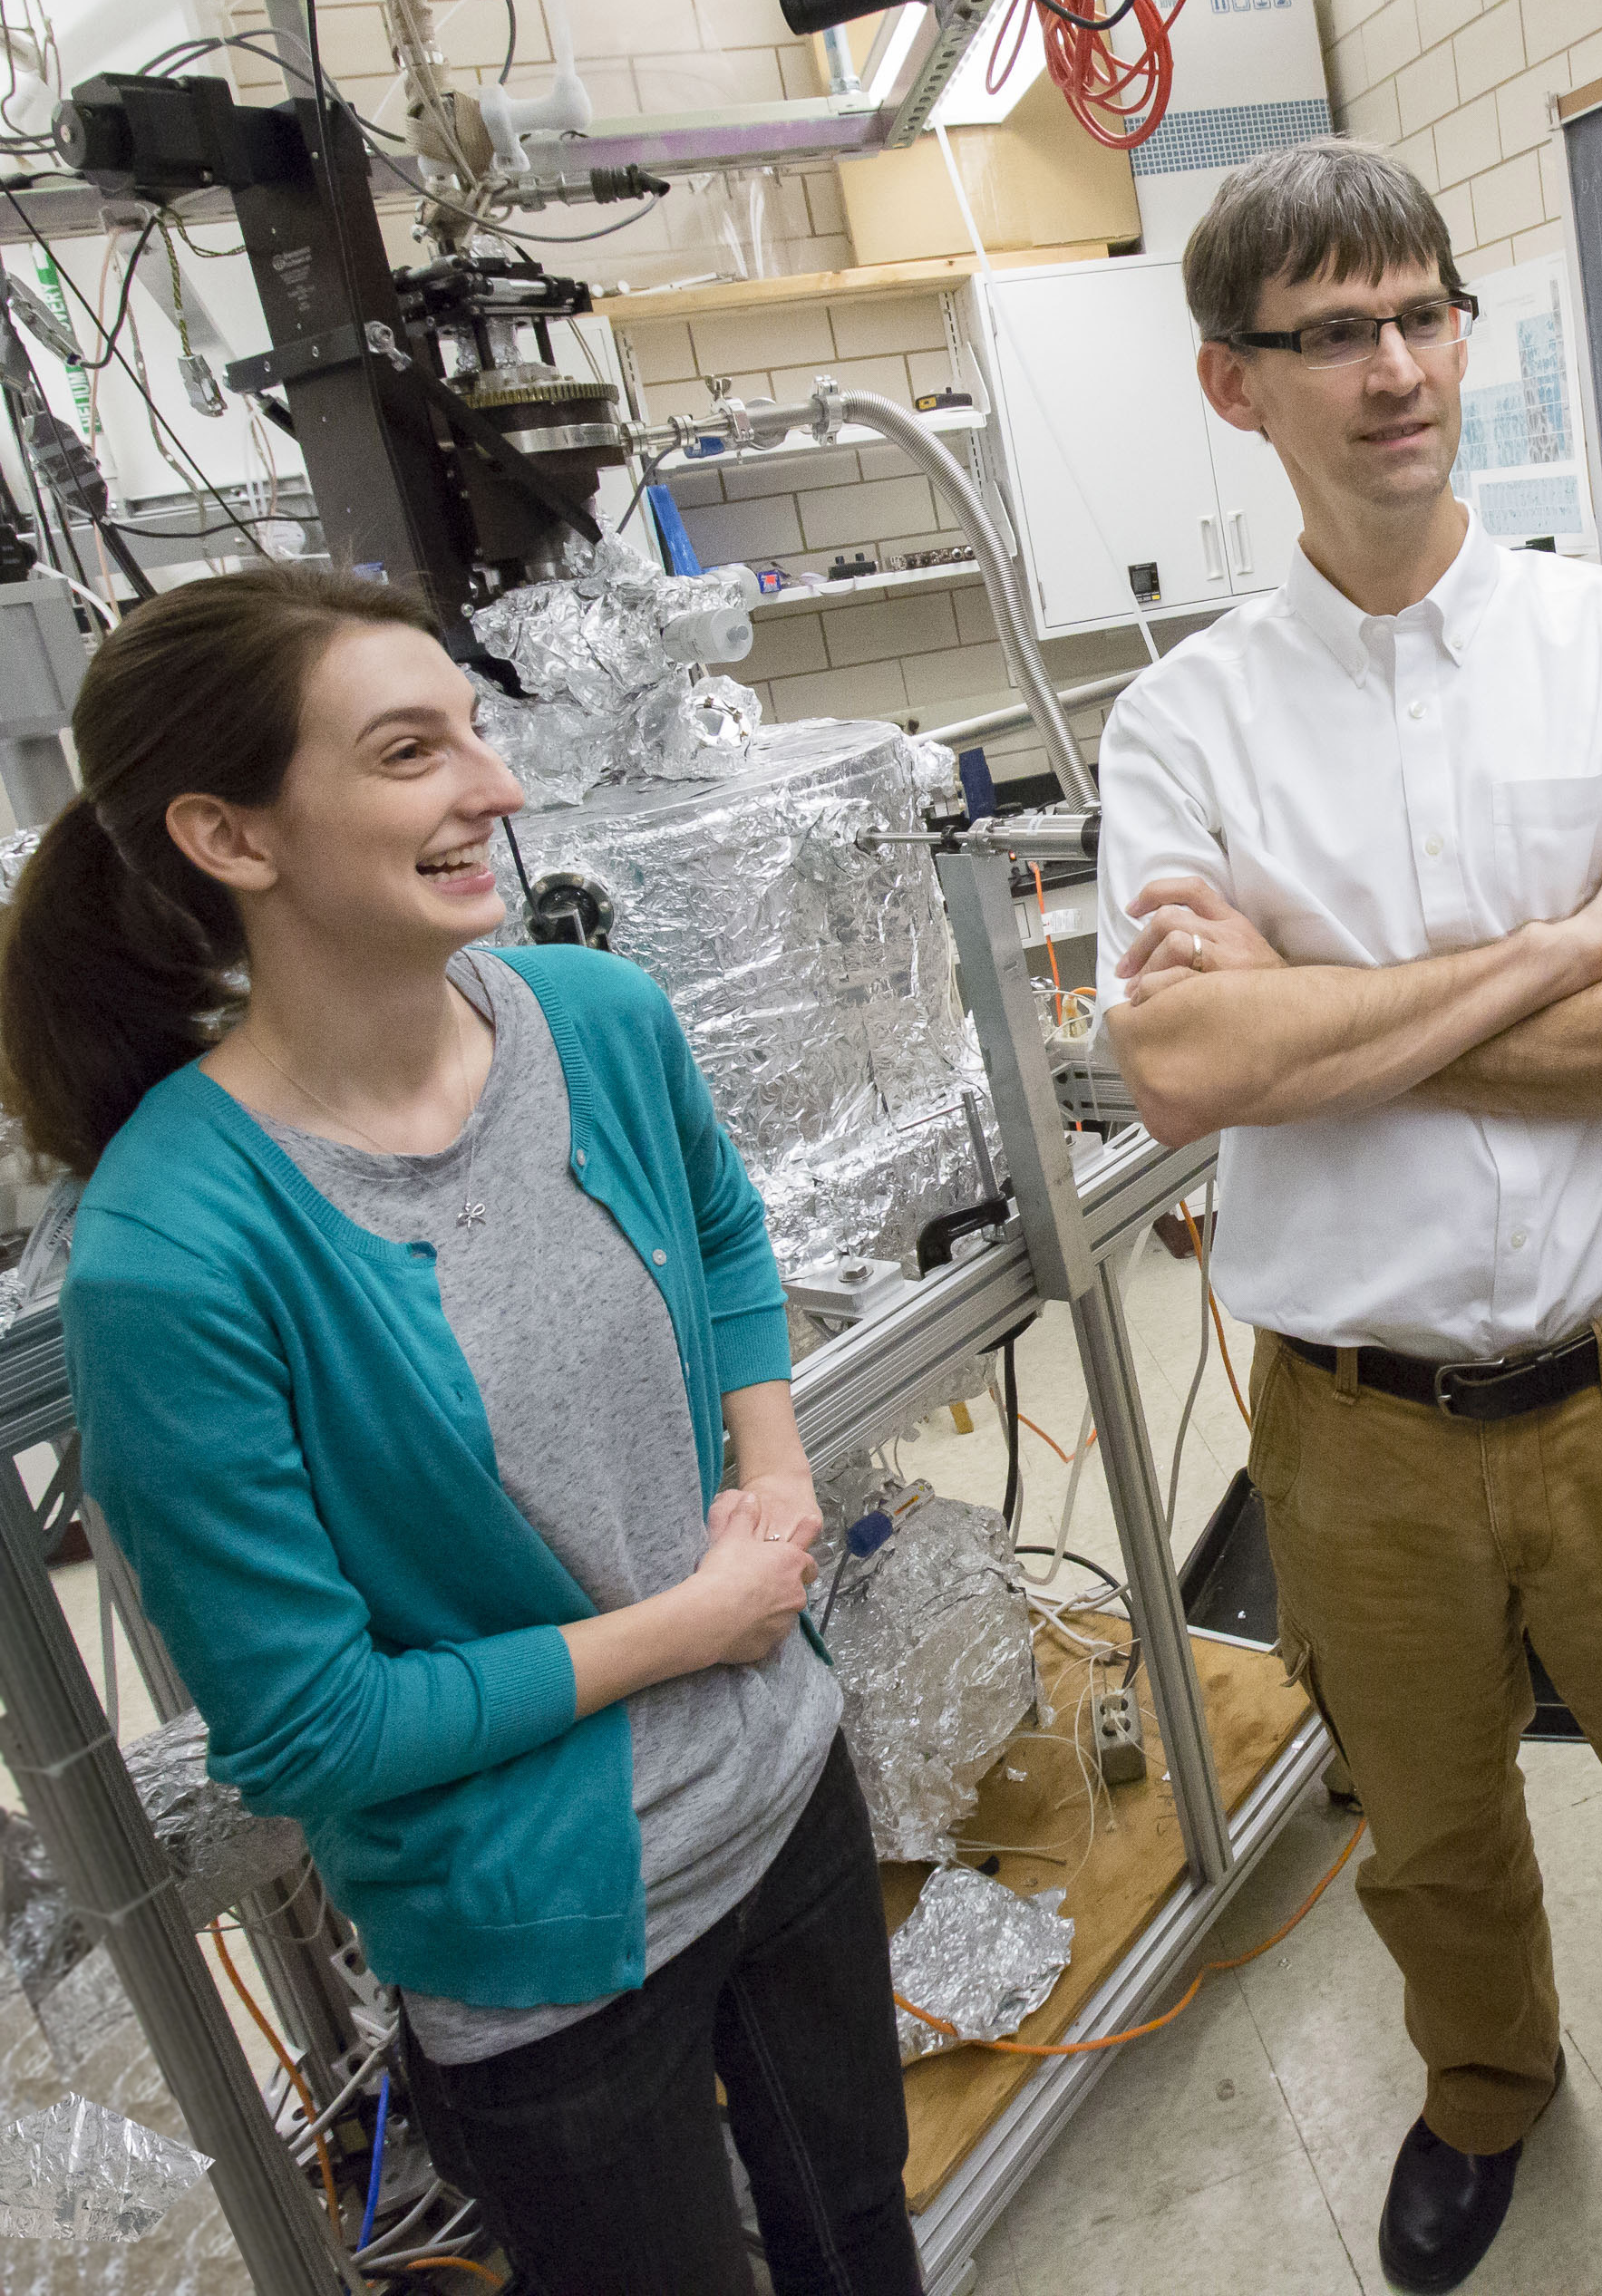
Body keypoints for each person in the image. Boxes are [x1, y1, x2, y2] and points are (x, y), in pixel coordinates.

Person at [1093, 139, 1602, 2296]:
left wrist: (1314, 1011)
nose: (1394, 368)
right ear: (1233, 387)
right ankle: (1482, 2094)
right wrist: (1548, 963)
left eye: (1422, 312)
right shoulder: (1186, 722)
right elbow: (1177, 1072)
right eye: (1331, 333)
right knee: (1426, 1831)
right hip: (1355, 1423)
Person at [4, 567, 918, 2296]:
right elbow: (309, 1729)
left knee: (860, 2229)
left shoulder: (597, 1023)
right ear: (231, 835)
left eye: (480, 734)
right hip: (547, 1957)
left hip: (784, 1794)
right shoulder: (179, 1254)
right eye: (412, 751)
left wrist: (775, 1475)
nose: (494, 788)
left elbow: (721, 1231)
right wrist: (683, 1630)